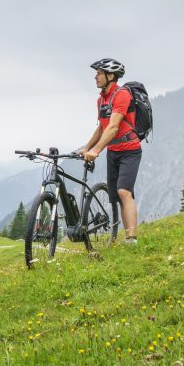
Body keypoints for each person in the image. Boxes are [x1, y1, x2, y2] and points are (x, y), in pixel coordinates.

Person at [77, 58, 142, 245]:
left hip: (130, 150)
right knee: (116, 197)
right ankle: (124, 235)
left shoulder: (122, 95)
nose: (95, 77)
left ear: (110, 75)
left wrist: (96, 150)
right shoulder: (101, 99)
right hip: (113, 151)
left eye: (99, 73)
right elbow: (101, 128)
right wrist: (87, 148)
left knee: (124, 192)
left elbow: (113, 127)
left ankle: (131, 239)